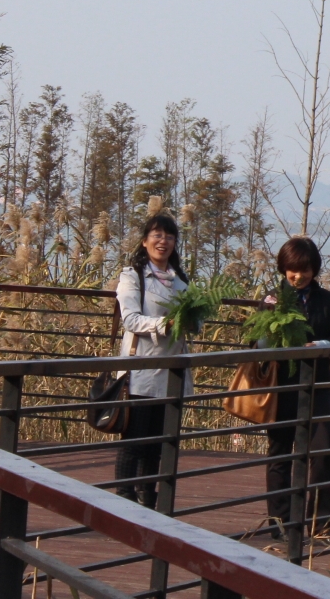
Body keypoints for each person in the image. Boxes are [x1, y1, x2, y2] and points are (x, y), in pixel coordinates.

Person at [265, 235, 330, 540]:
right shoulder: (273, 299)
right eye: (292, 269)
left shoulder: (327, 300)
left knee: (323, 453)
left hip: (317, 387)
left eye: (304, 269)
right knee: (279, 455)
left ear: (314, 269)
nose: (298, 276)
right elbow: (257, 341)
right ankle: (281, 523)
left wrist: (325, 345)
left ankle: (321, 523)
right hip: (283, 387)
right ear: (283, 268)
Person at [113, 211, 190, 508]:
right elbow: (130, 319)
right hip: (141, 368)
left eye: (170, 237)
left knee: (158, 442)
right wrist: (163, 325)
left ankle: (148, 497)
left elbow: (192, 321)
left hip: (171, 371)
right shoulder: (132, 276)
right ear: (145, 241)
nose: (164, 241)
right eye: (157, 235)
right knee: (135, 438)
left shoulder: (179, 280)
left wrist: (194, 319)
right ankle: (124, 495)